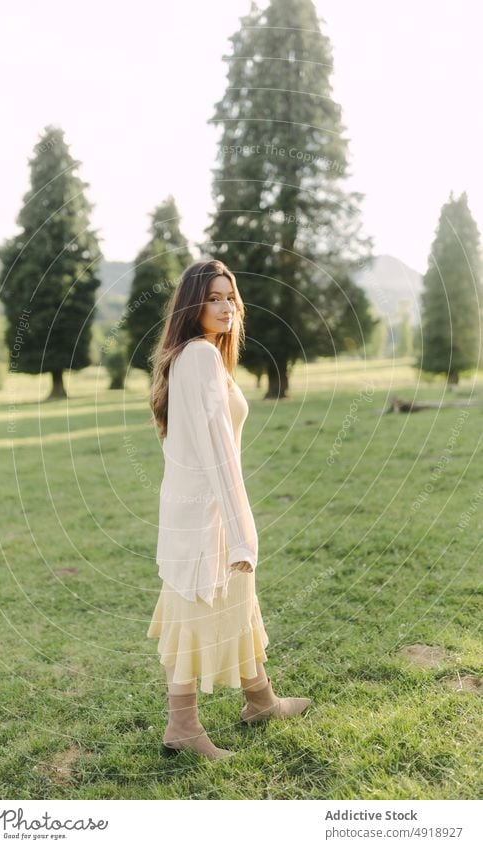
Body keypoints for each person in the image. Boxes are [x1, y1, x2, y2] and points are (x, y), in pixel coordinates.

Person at [147, 259, 311, 760]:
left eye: (229, 297)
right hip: (206, 512)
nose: (224, 307)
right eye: (213, 298)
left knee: (235, 600)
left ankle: (260, 701)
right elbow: (216, 451)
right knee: (195, 610)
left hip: (199, 506)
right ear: (192, 305)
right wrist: (241, 531)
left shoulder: (197, 356)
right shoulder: (198, 356)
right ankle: (183, 727)